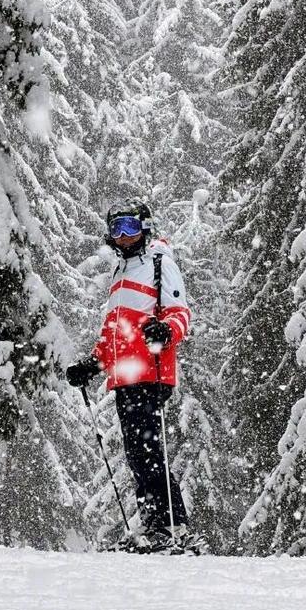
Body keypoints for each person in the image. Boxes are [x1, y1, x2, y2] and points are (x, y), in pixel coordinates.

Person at [66, 199, 191, 546]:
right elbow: (113, 334)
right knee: (136, 454)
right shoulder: (119, 274)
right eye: (116, 228)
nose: (123, 236)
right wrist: (92, 365)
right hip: (124, 377)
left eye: (130, 227)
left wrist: (165, 331)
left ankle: (171, 526)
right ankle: (153, 526)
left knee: (148, 451)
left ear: (144, 228)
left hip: (151, 371)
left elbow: (180, 314)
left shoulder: (159, 263)